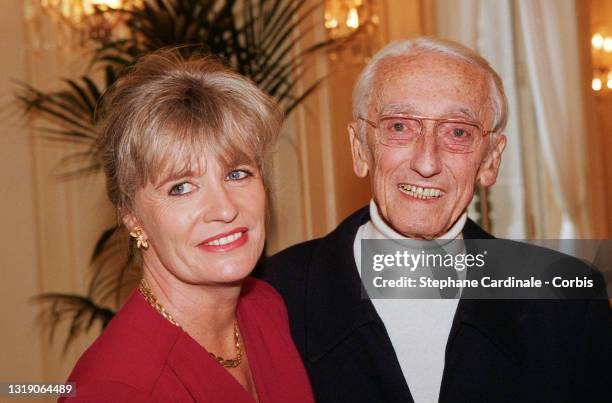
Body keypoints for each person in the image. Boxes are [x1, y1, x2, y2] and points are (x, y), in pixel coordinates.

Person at [260, 38, 612, 403]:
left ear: (491, 159)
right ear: (360, 147)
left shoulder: (567, 301)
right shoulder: (276, 296)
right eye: (399, 127)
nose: (427, 162)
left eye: (457, 132)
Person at [60, 50, 314, 402]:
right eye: (181, 187)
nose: (225, 209)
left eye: (237, 173)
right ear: (131, 215)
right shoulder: (114, 389)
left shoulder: (265, 308)